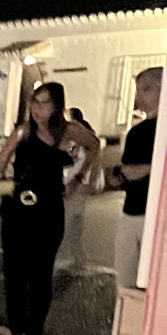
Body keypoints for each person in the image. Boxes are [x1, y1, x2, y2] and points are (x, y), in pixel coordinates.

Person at [0, 80, 100, 335]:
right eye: (34, 103)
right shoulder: (24, 131)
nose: (38, 109)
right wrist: (11, 145)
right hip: (17, 209)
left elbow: (94, 145)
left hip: (49, 210)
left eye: (44, 103)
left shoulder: (69, 131)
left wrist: (78, 178)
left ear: (57, 106)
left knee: (40, 275)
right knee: (15, 275)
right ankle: (15, 334)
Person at [112, 67, 160, 294]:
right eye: (138, 90)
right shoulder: (136, 132)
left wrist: (148, 169)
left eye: (146, 89)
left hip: (157, 216)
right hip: (131, 211)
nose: (139, 96)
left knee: (154, 283)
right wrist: (119, 175)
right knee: (126, 281)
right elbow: (127, 169)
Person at [57, 105, 100, 278]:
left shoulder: (81, 137)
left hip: (79, 183)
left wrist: (90, 181)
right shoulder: (74, 138)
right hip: (73, 182)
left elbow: (95, 157)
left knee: (66, 220)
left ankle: (68, 256)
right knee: (74, 221)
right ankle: (78, 257)